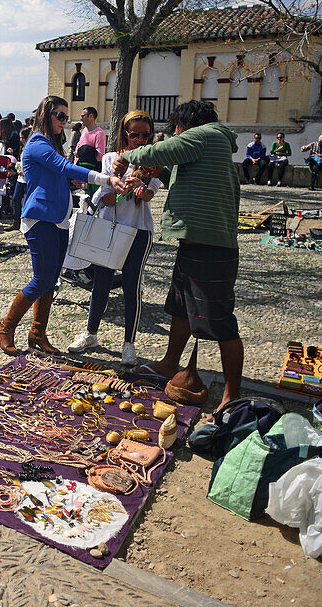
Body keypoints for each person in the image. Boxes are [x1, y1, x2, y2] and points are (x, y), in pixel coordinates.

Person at [118, 100, 243, 411]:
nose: (173, 134)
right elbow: (181, 173)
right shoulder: (209, 144)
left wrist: (126, 156)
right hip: (195, 240)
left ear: (186, 123)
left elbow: (157, 152)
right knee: (180, 306)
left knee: (221, 321)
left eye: (175, 128)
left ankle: (232, 395)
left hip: (211, 245)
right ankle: (171, 362)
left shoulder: (206, 135)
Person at [0, 96, 123, 356]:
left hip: (59, 219)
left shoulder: (51, 144)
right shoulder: (38, 142)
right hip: (40, 219)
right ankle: (5, 327)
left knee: (50, 281)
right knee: (41, 280)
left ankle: (37, 333)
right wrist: (106, 179)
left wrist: (69, 184)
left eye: (67, 117)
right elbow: (63, 167)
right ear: (46, 114)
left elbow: (54, 177)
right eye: (59, 116)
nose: (64, 121)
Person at [67, 111, 161, 366]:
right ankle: (90, 334)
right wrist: (121, 186)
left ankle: (129, 343)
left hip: (138, 231)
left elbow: (148, 196)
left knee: (131, 287)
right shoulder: (110, 159)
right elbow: (105, 198)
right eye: (134, 134)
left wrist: (140, 185)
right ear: (124, 134)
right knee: (101, 285)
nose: (140, 140)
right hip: (108, 228)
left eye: (145, 134)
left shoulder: (153, 162)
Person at [75, 106, 106, 172]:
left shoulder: (99, 134)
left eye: (83, 116)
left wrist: (86, 153)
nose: (81, 119)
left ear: (91, 116)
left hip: (90, 171)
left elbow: (100, 155)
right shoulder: (84, 130)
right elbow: (79, 145)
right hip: (79, 168)